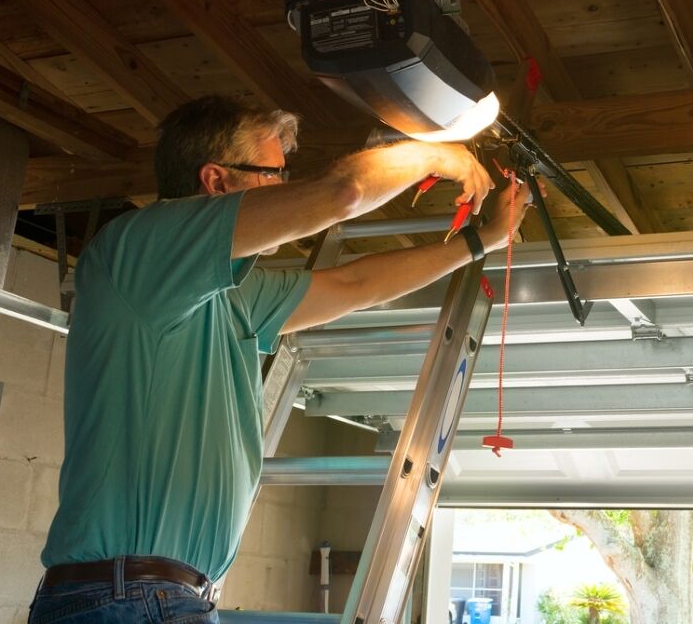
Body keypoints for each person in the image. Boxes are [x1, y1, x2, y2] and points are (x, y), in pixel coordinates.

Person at [29, 95, 535, 623]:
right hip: (128, 595)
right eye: (273, 173)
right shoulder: (138, 252)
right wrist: (437, 155)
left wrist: (479, 241)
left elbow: (354, 283)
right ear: (217, 181)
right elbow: (343, 192)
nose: (283, 188)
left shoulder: (232, 296)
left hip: (157, 596)